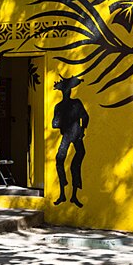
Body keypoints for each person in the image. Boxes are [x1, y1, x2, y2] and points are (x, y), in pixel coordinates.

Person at [52, 76, 89, 207]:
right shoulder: (62, 106)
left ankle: (71, 194)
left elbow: (85, 117)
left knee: (71, 164)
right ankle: (64, 193)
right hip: (71, 135)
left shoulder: (68, 105)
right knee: (61, 160)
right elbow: (54, 124)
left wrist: (82, 130)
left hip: (74, 135)